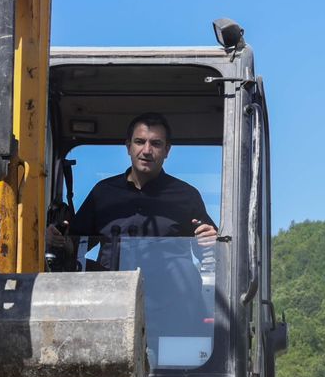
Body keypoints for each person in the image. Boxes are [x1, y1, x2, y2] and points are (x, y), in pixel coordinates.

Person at [51, 113, 218, 342]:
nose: (147, 150)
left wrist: (210, 240)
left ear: (167, 150)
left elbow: (208, 250)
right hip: (111, 307)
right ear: (128, 146)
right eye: (140, 142)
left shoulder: (186, 197)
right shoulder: (103, 193)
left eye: (156, 143)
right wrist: (58, 238)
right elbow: (75, 244)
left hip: (172, 311)